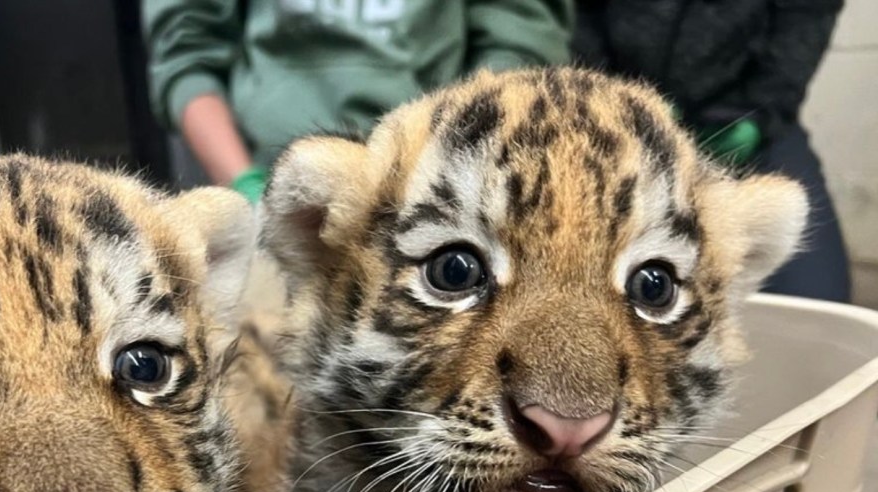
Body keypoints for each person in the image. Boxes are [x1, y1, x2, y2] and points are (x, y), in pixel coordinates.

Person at [143, 0, 574, 203]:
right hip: (272, 180)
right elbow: (185, 52)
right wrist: (246, 187)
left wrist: (453, 181)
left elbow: (519, 50)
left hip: (441, 179)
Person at [574, 0, 851, 303]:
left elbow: (805, 22)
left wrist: (759, 116)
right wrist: (617, 103)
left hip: (747, 119)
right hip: (622, 125)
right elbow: (583, 20)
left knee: (816, 296)